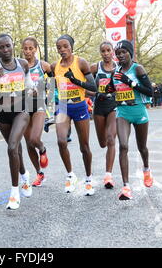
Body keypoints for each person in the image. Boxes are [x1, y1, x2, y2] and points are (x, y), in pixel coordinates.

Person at [0, 33, 34, 210]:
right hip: (2, 112)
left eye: (8, 46)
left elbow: (29, 85)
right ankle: (25, 174)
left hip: (21, 110)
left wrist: (33, 90)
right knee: (16, 150)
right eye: (1, 47)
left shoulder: (23, 64)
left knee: (12, 147)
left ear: (13, 46)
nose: (5, 50)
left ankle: (14, 192)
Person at [50, 34, 97, 195]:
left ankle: (89, 178)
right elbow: (47, 86)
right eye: (59, 48)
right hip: (63, 106)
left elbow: (94, 87)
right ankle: (70, 175)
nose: (62, 50)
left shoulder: (81, 63)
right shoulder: (55, 66)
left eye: (65, 46)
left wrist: (76, 81)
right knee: (61, 141)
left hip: (79, 105)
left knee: (84, 147)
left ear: (71, 47)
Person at [110, 40, 154, 200]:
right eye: (118, 53)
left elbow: (150, 92)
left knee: (142, 147)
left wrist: (129, 82)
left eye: (124, 52)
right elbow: (111, 91)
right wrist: (108, 94)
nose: (120, 55)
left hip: (139, 111)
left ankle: (147, 169)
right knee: (123, 146)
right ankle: (126, 187)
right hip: (123, 112)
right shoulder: (115, 72)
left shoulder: (138, 68)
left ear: (130, 53)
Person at [21, 37, 51, 187]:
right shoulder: (19, 66)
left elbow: (55, 80)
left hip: (39, 104)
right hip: (24, 106)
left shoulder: (43, 65)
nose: (27, 51)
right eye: (25, 48)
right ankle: (39, 173)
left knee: (34, 138)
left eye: (30, 48)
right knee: (28, 142)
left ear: (36, 49)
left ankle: (43, 149)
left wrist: (48, 93)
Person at [89, 41, 117, 189]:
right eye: (103, 51)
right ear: (100, 53)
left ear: (112, 51)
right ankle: (108, 172)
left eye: (108, 50)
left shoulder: (119, 68)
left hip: (114, 106)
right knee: (102, 143)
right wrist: (96, 93)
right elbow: (85, 87)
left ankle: (108, 176)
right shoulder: (95, 68)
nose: (106, 53)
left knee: (111, 139)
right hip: (99, 107)